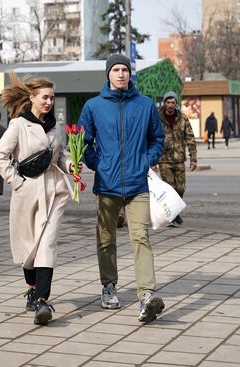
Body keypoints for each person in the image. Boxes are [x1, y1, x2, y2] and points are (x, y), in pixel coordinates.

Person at [79, 54, 165, 323]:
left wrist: (147, 160)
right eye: (115, 69)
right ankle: (109, 286)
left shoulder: (145, 105)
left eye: (124, 70)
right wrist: (99, 165)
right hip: (107, 185)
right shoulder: (93, 106)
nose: (120, 74)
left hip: (138, 184)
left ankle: (147, 295)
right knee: (106, 239)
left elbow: (157, 138)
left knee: (140, 237)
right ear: (108, 74)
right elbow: (83, 142)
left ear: (130, 74)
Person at [0, 71, 78, 326]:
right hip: (27, 190)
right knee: (28, 246)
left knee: (47, 243)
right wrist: (16, 183)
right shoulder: (18, 125)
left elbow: (59, 157)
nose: (49, 102)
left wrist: (71, 166)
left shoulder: (55, 127)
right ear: (32, 98)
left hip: (55, 190)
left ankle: (42, 299)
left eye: (52, 97)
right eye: (45, 97)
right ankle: (31, 287)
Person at [158, 91, 197, 226]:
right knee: (170, 189)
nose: (170, 105)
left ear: (176, 104)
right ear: (164, 103)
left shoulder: (183, 118)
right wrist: (152, 160)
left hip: (179, 159)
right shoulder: (157, 118)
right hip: (164, 159)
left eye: (173, 102)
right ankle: (172, 215)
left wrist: (193, 159)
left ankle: (175, 212)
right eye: (168, 102)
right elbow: (150, 138)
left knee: (180, 189)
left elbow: (190, 138)